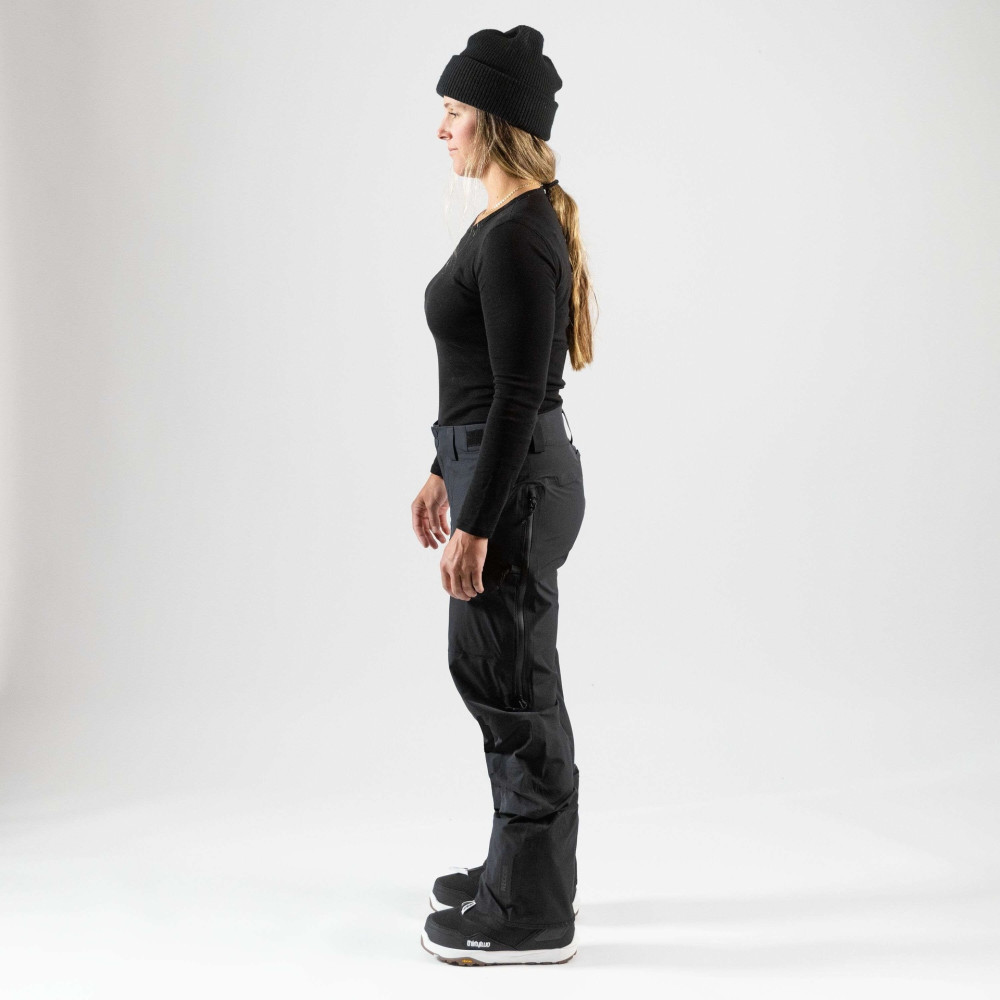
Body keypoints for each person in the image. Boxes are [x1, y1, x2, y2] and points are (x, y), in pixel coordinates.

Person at [410, 24, 597, 967]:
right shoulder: (505, 222)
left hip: (514, 488)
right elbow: (484, 373)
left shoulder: (520, 234)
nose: (441, 127)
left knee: (513, 688)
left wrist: (477, 521)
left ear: (494, 121)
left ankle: (531, 914)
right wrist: (442, 466)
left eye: (454, 110)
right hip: (496, 472)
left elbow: (522, 393)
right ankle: (518, 873)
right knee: (501, 678)